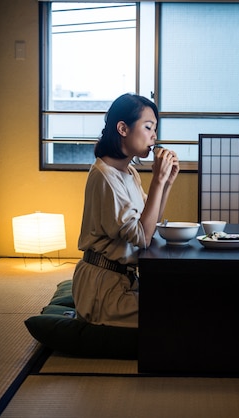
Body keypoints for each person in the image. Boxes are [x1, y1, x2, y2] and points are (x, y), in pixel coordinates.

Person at [72, 93, 179, 328]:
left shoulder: (129, 172)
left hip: (123, 281)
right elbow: (142, 237)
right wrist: (157, 182)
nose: (154, 136)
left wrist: (167, 182)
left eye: (155, 129)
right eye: (148, 127)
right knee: (176, 314)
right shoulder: (104, 176)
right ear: (123, 128)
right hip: (103, 290)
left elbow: (149, 223)